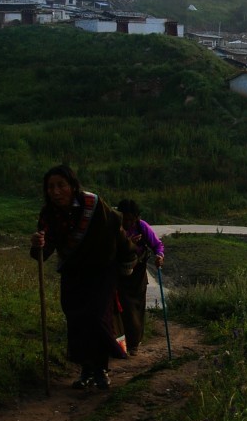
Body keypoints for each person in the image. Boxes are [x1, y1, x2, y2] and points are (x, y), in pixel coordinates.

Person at [30, 165, 138, 390]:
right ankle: (86, 369)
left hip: (101, 272)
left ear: (72, 186)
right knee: (77, 320)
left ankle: (101, 369)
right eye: (50, 187)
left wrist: (128, 256)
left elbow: (115, 231)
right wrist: (38, 245)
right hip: (73, 273)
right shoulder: (48, 214)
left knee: (97, 317)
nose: (55, 191)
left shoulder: (93, 205)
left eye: (61, 185)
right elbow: (44, 249)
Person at [116, 199, 165, 357]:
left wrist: (159, 256)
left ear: (137, 218)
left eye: (131, 219)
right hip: (119, 275)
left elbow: (157, 245)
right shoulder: (115, 228)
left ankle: (134, 344)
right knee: (122, 308)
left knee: (136, 308)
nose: (128, 222)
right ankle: (121, 345)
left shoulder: (142, 227)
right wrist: (127, 243)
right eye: (125, 219)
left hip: (138, 276)